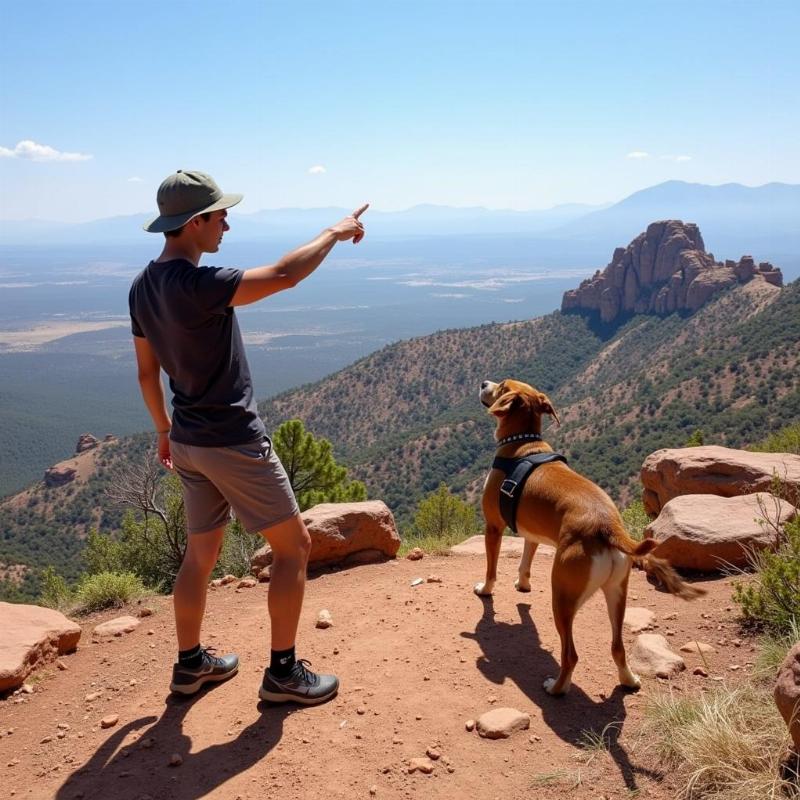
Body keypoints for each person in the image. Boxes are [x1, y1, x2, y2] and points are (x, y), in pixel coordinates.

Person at [129, 169, 367, 703]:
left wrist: (164, 432)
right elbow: (285, 274)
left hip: (188, 440)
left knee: (200, 554)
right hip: (232, 439)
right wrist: (334, 232)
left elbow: (147, 374)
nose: (227, 225)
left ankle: (190, 666)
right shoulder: (201, 283)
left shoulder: (142, 287)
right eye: (219, 216)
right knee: (294, 548)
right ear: (194, 223)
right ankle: (283, 674)